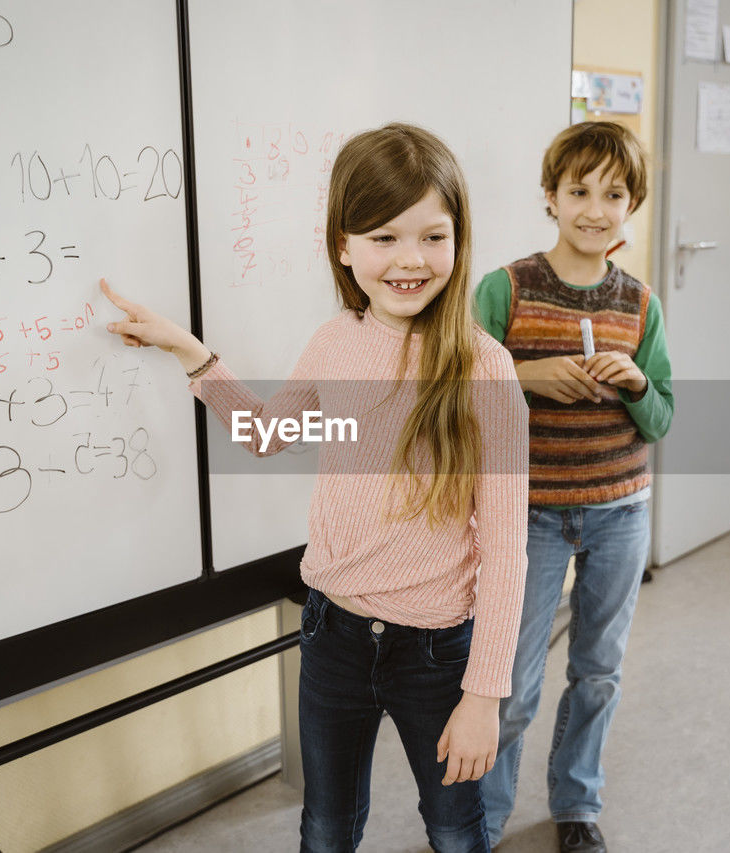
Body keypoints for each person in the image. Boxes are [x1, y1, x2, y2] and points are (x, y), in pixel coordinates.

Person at [100, 122, 529, 853]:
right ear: (343, 245)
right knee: (325, 827)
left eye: (433, 236)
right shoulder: (336, 342)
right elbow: (269, 436)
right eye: (384, 237)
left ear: (460, 241)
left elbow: (507, 550)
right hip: (332, 634)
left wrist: (485, 694)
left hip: (437, 654)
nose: (410, 259)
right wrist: (189, 351)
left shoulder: (484, 369)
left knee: (457, 828)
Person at [473, 121, 674, 853]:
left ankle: (576, 803)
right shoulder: (505, 289)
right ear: (550, 198)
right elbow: (459, 398)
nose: (595, 207)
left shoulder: (641, 304)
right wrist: (522, 378)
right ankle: (482, 817)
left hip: (621, 511)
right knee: (513, 683)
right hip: (529, 516)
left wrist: (637, 383)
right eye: (578, 190)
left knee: (598, 671)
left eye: (614, 193)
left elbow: (661, 420)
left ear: (633, 203)